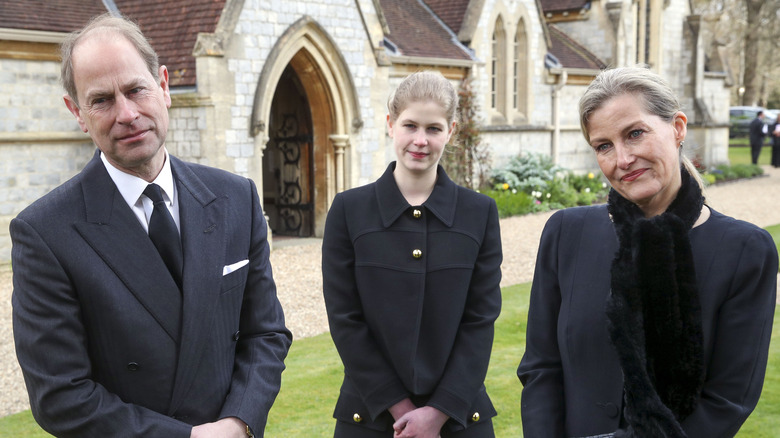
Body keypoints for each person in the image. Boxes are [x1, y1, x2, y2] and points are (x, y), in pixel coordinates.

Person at [11, 14, 291, 437]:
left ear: (163, 86)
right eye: (102, 100)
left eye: (136, 89)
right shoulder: (45, 233)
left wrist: (239, 422)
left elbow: (265, 334)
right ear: (77, 113)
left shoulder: (237, 198)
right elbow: (60, 396)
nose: (126, 113)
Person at [517, 66, 777, 437]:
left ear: (678, 128)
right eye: (603, 146)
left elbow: (728, 400)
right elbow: (540, 367)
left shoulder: (744, 250)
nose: (622, 159)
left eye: (635, 134)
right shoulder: (566, 232)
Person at [322, 71, 503, 438]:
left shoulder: (479, 212)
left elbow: (479, 320)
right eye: (410, 126)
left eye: (434, 129)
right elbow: (346, 320)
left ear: (450, 131)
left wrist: (437, 412)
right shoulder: (348, 210)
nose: (420, 141)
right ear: (391, 125)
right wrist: (402, 409)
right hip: (370, 420)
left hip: (458, 419)